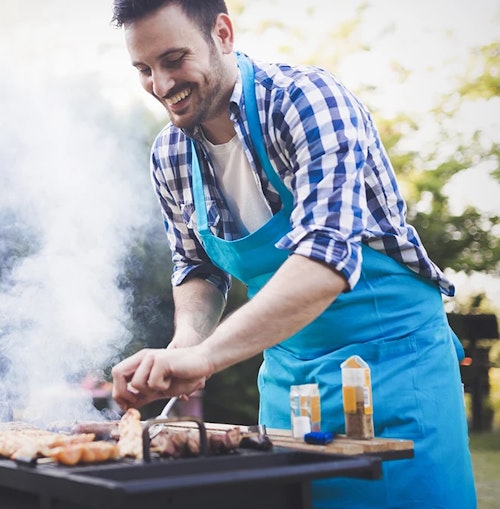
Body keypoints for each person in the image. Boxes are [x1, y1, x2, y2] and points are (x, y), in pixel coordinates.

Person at [108, 2, 476, 508]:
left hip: (393, 368)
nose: (162, 84)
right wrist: (183, 347)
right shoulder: (170, 154)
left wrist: (206, 357)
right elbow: (197, 267)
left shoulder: (308, 101)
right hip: (290, 380)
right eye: (144, 69)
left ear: (222, 32)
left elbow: (325, 261)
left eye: (174, 59)